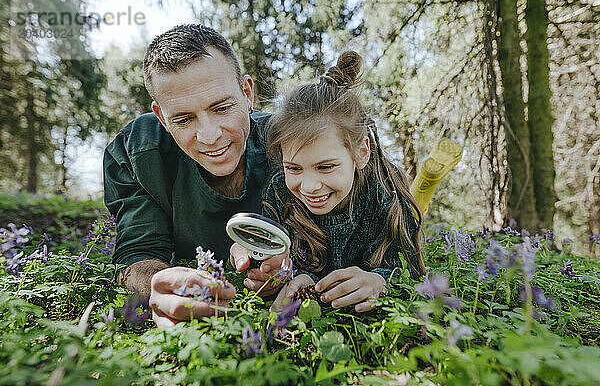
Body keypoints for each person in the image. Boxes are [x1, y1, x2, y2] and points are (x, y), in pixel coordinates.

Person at [103, 24, 285, 328]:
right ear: (162, 118)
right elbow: (138, 251)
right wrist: (156, 282)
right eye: (184, 119)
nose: (210, 136)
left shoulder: (292, 141)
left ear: (247, 93)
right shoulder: (135, 153)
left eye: (222, 107)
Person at [252, 51, 426, 312]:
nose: (309, 186)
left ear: (361, 153)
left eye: (326, 167)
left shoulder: (385, 195)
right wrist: (289, 277)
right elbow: (271, 258)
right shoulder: (279, 193)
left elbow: (411, 270)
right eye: (294, 168)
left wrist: (380, 281)